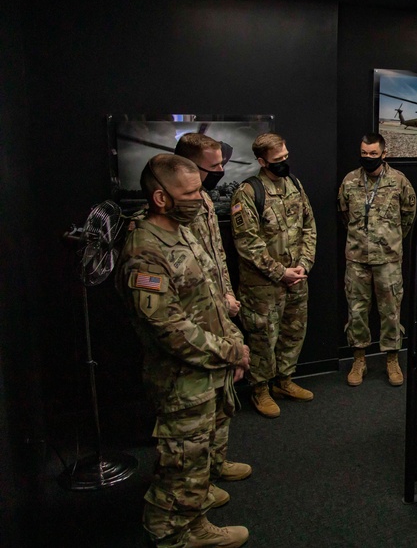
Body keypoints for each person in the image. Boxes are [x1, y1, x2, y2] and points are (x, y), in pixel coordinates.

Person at [118, 154, 250, 548]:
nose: (199, 199)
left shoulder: (181, 228)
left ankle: (194, 512)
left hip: (206, 369)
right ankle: (174, 534)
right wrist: (229, 353)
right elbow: (170, 330)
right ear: (161, 197)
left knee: (197, 456)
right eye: (189, 192)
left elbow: (209, 294)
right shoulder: (145, 251)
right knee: (180, 462)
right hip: (180, 377)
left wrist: (234, 343)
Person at [173, 132, 252, 484]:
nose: (222, 169)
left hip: (219, 308)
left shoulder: (203, 199)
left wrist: (228, 295)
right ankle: (197, 481)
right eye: (214, 165)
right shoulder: (172, 210)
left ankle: (216, 462)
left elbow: (217, 257)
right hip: (194, 318)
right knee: (197, 409)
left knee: (223, 399)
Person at [230, 132, 317, 418]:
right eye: (278, 160)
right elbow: (248, 245)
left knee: (293, 332)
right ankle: (260, 389)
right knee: (263, 339)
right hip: (263, 287)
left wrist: (304, 263)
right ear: (261, 161)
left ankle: (284, 381)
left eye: (286, 157)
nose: (284, 163)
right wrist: (281, 273)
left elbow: (309, 226)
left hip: (297, 279)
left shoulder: (294, 184)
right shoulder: (247, 192)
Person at [338, 133, 416, 387]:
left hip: (388, 260)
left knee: (391, 311)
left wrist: (389, 240)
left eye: (373, 153)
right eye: (364, 153)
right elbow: (343, 214)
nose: (368, 157)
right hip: (357, 259)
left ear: (384, 154)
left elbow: (408, 215)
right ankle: (359, 359)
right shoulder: (349, 181)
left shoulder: (399, 181)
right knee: (357, 312)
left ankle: (392, 359)